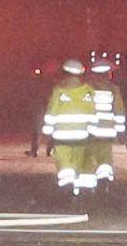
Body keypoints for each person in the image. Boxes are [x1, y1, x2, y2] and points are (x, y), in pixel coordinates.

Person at [39, 59, 118, 198]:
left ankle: (67, 191)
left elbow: (51, 112)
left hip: (61, 136)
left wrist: (47, 133)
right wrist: (92, 131)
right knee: (80, 162)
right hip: (82, 136)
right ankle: (85, 193)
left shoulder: (58, 90)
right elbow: (93, 113)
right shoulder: (88, 91)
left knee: (65, 163)